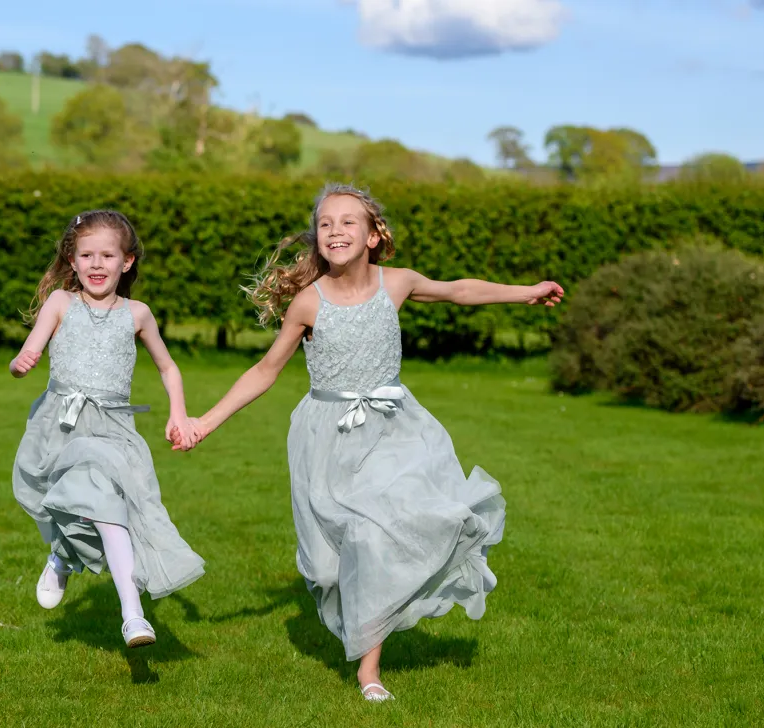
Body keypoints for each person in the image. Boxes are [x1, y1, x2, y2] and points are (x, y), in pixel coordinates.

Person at [174, 183, 563, 700]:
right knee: (334, 563)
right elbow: (265, 371)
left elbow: (458, 290)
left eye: (348, 221)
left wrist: (526, 292)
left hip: (394, 427)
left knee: (375, 534)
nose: (335, 230)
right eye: (326, 223)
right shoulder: (308, 303)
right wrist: (206, 421)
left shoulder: (396, 284)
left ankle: (369, 671)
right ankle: (363, 627)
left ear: (374, 234)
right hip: (327, 436)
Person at [11, 210, 205, 648]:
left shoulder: (137, 314)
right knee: (52, 504)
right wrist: (21, 364)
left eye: (107, 255)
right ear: (73, 260)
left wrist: (179, 413)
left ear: (127, 262)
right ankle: (61, 556)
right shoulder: (61, 303)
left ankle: (133, 616)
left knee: (110, 513)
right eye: (87, 255)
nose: (97, 264)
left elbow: (168, 366)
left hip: (112, 430)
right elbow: (29, 350)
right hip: (59, 423)